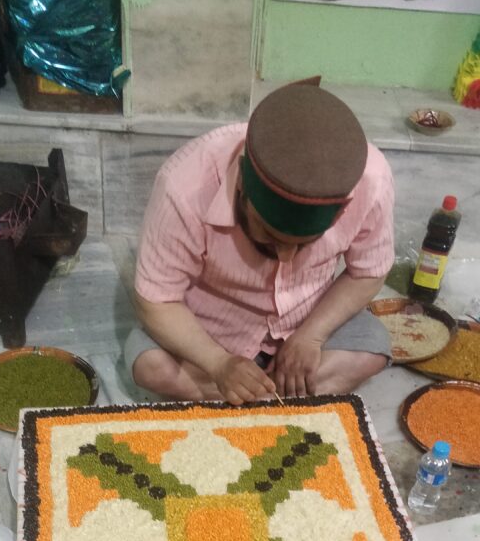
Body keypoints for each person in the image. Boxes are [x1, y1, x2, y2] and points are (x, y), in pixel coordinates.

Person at [126, 79, 394, 405]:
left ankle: (251, 395)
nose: (285, 255)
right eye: (270, 235)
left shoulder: (370, 180)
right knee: (151, 367)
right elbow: (156, 301)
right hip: (211, 332)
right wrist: (218, 363)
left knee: (374, 347)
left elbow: (369, 272)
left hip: (305, 320)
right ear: (242, 184)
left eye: (304, 244)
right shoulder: (184, 186)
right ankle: (275, 394)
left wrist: (312, 335)